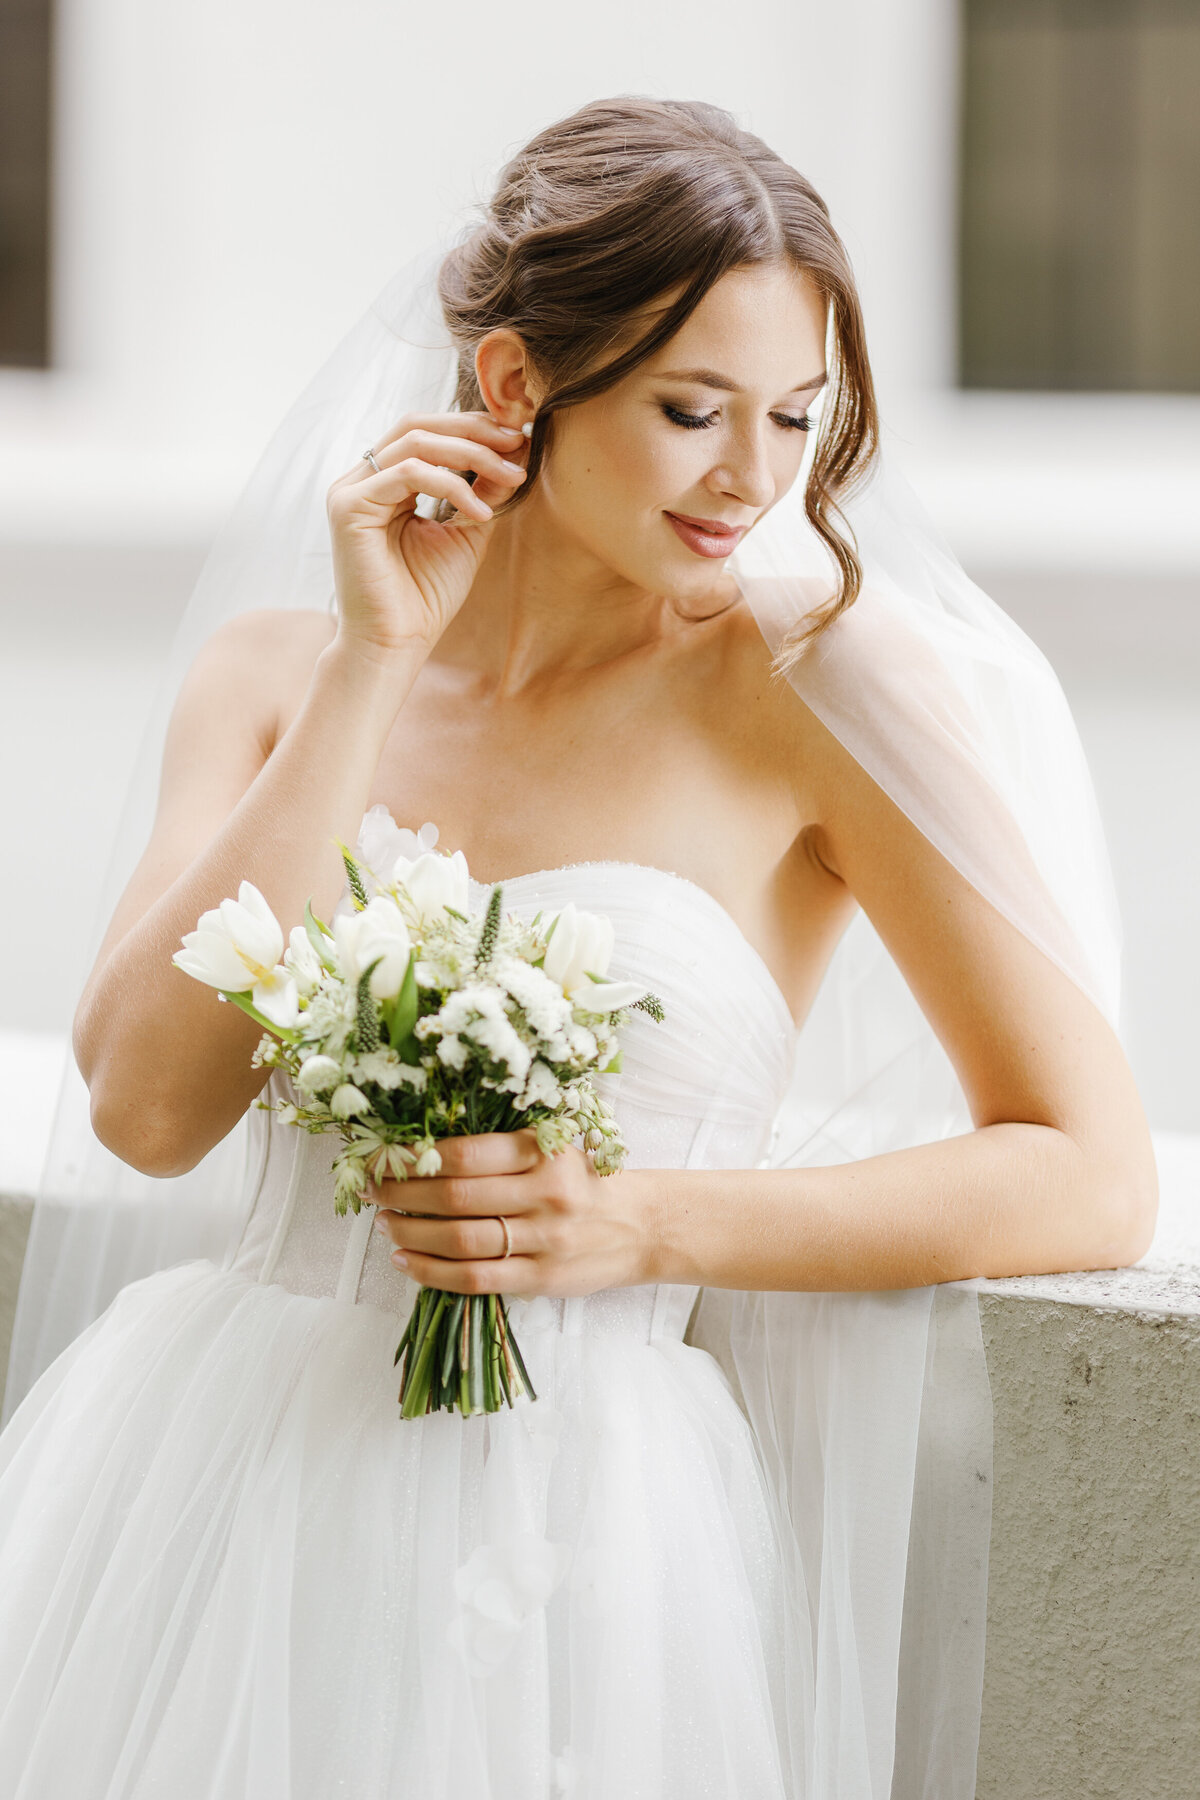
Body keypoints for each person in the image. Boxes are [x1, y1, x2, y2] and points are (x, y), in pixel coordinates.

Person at [0, 96, 1156, 1798]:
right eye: (693, 410)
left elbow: (1091, 1170)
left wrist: (643, 1222)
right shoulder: (273, 672)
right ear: (515, 386)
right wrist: (372, 663)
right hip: (212, 1480)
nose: (752, 482)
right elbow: (148, 1111)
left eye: (795, 417)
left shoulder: (816, 685)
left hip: (576, 1534)